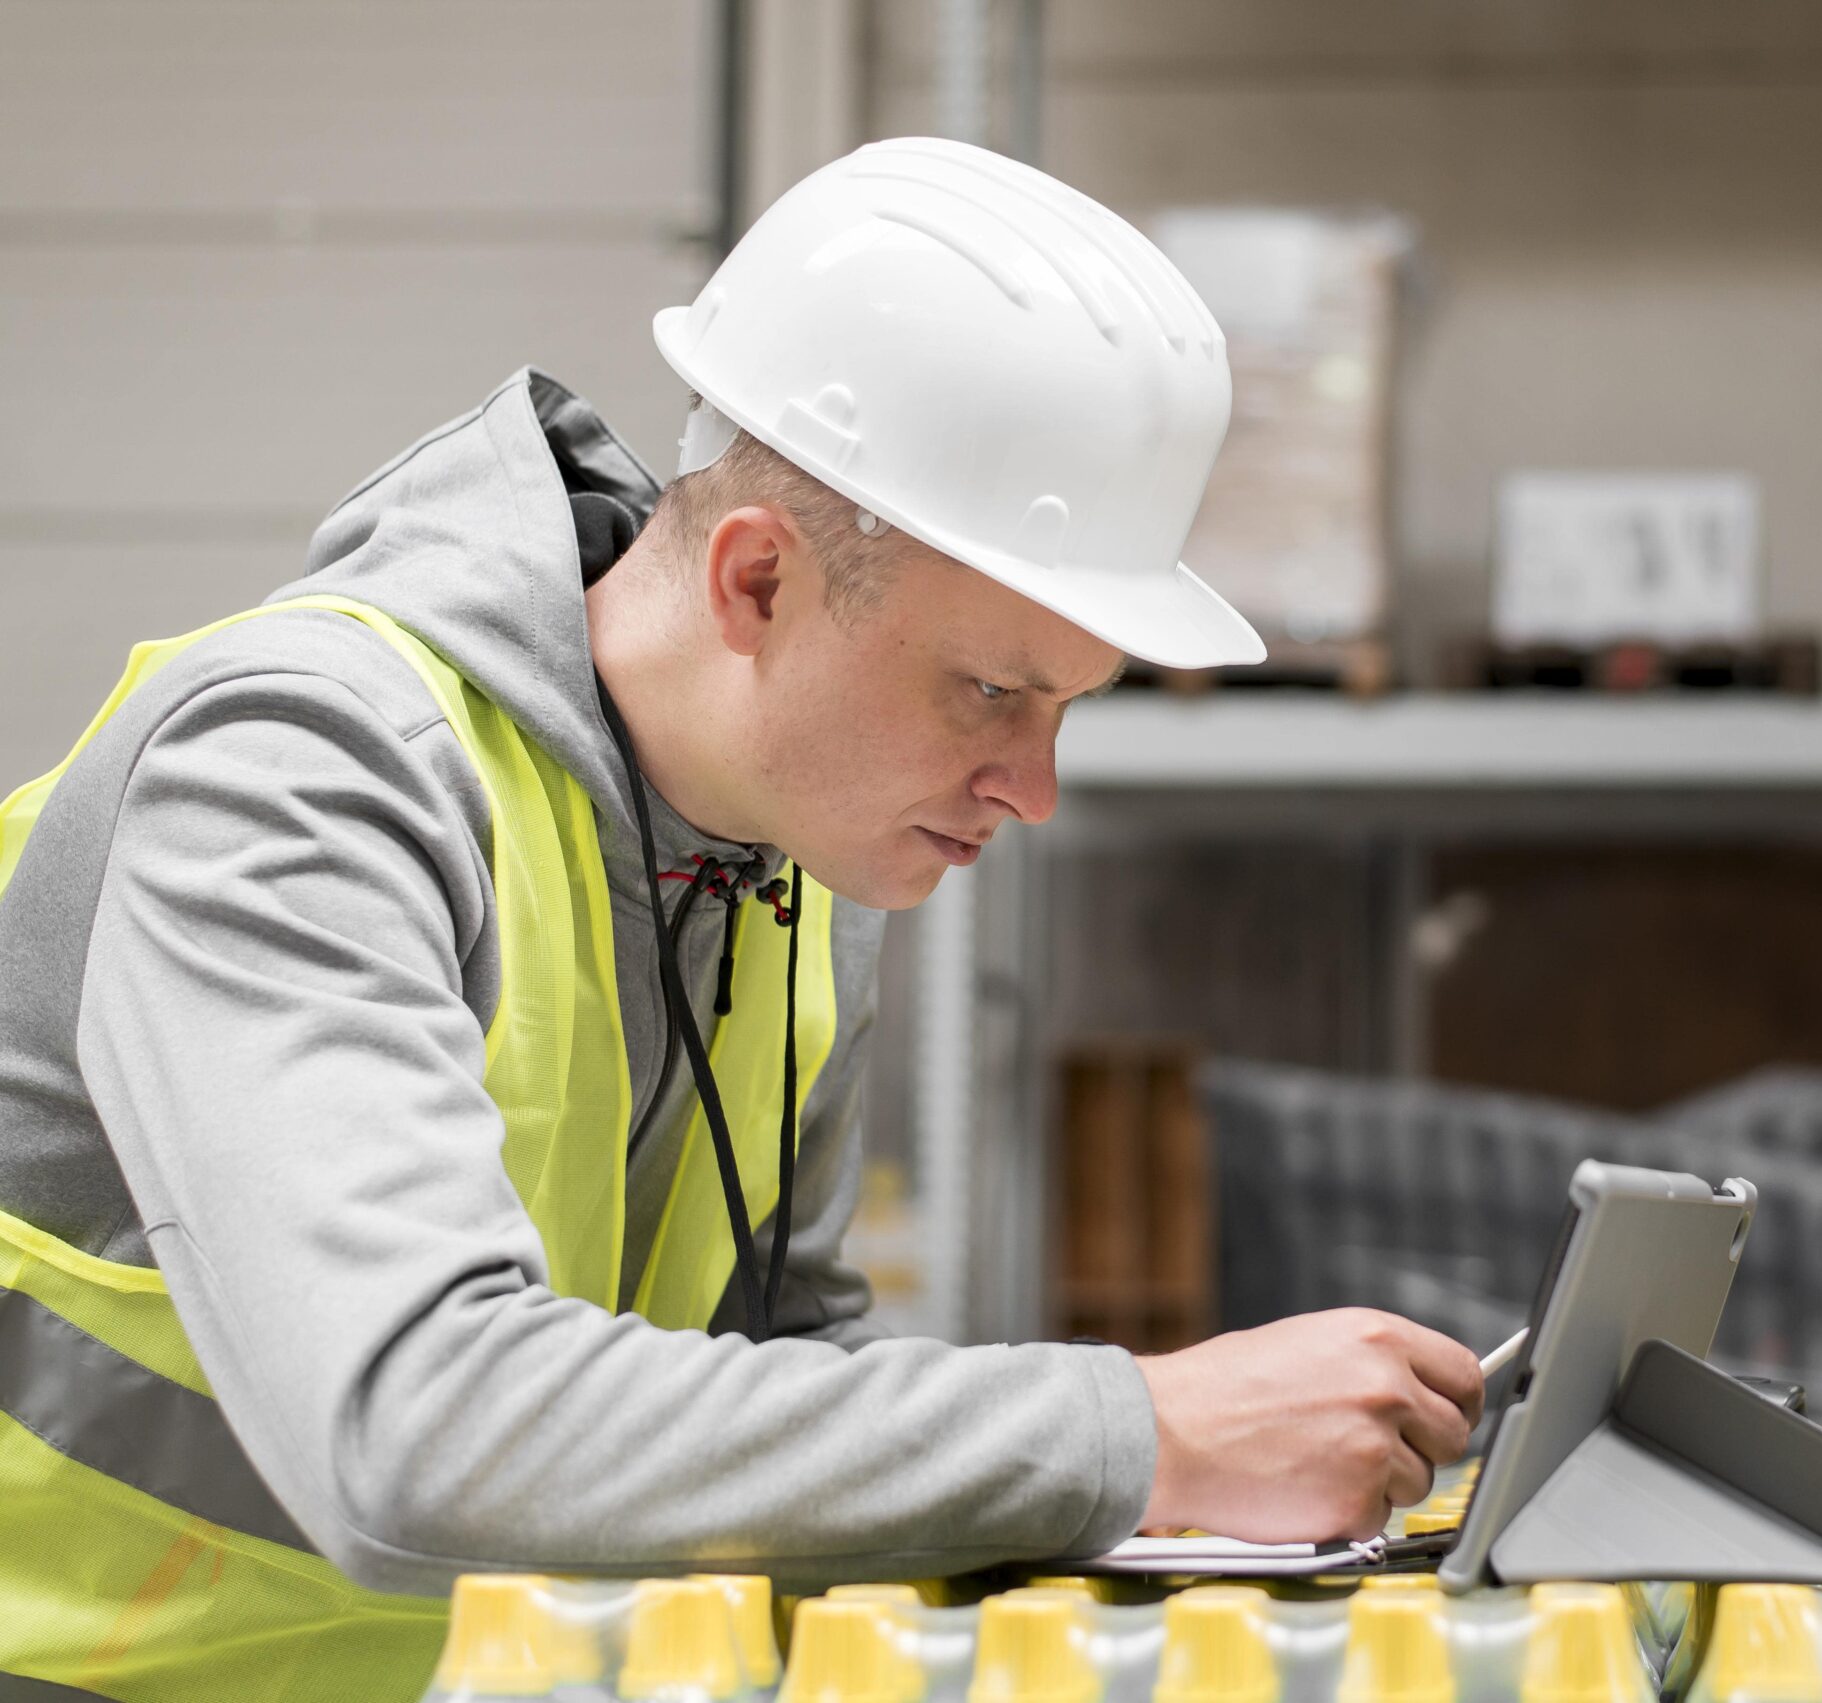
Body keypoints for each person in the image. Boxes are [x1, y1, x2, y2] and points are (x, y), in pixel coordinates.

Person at [0, 137, 1481, 1700]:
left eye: (1068, 709)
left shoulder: (792, 866)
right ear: (757, 580)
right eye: (992, 689)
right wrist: (1141, 1433)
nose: (1033, 787)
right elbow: (412, 1424)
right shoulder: (298, 777)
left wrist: (1217, 1528)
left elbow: (781, 1393)